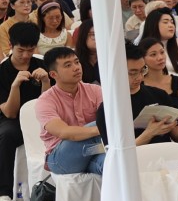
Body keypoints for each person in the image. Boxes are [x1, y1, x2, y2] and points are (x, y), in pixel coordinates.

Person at [36, 46, 105, 174]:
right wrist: (101, 129)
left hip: (93, 151)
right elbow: (64, 132)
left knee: (111, 163)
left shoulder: (95, 90)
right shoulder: (45, 101)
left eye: (77, 62)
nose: (76, 67)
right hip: (61, 158)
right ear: (53, 74)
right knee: (105, 124)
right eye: (68, 65)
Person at [0, 22, 48, 184]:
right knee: (6, 135)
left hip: (42, 118)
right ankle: (4, 190)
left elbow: (50, 104)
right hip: (14, 121)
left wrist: (46, 81)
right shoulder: (2, 71)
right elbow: (9, 113)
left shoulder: (43, 66)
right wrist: (15, 86)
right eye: (21, 50)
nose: (26, 55)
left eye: (31, 50)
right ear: (10, 45)